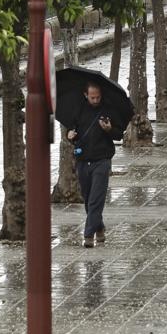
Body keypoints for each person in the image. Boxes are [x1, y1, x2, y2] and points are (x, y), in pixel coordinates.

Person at [65, 82, 124, 248]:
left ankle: (88, 234)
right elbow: (71, 130)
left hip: (102, 160)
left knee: (96, 199)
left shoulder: (109, 110)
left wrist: (109, 129)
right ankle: (99, 227)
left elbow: (119, 134)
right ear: (86, 95)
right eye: (92, 97)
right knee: (88, 197)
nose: (96, 100)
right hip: (83, 160)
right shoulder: (78, 110)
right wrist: (70, 135)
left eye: (98, 97)